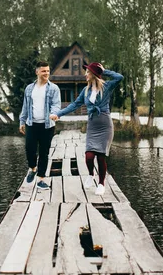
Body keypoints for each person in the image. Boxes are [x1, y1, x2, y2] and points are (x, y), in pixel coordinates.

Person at [50, 62, 123, 196]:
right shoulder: (85, 91)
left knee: (101, 157)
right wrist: (58, 114)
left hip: (105, 125)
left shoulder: (106, 87)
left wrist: (104, 71)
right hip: (92, 125)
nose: (85, 75)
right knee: (89, 156)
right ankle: (91, 174)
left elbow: (119, 77)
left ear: (94, 74)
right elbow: (74, 105)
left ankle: (101, 184)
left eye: (88, 72)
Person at [19, 61, 61, 190]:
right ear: (37, 72)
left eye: (48, 71)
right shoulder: (29, 88)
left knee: (44, 152)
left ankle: (41, 179)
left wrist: (54, 114)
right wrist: (22, 121)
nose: (46, 73)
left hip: (47, 125)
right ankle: (33, 168)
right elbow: (26, 106)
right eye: (44, 71)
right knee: (29, 149)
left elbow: (56, 104)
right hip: (32, 124)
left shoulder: (54, 88)